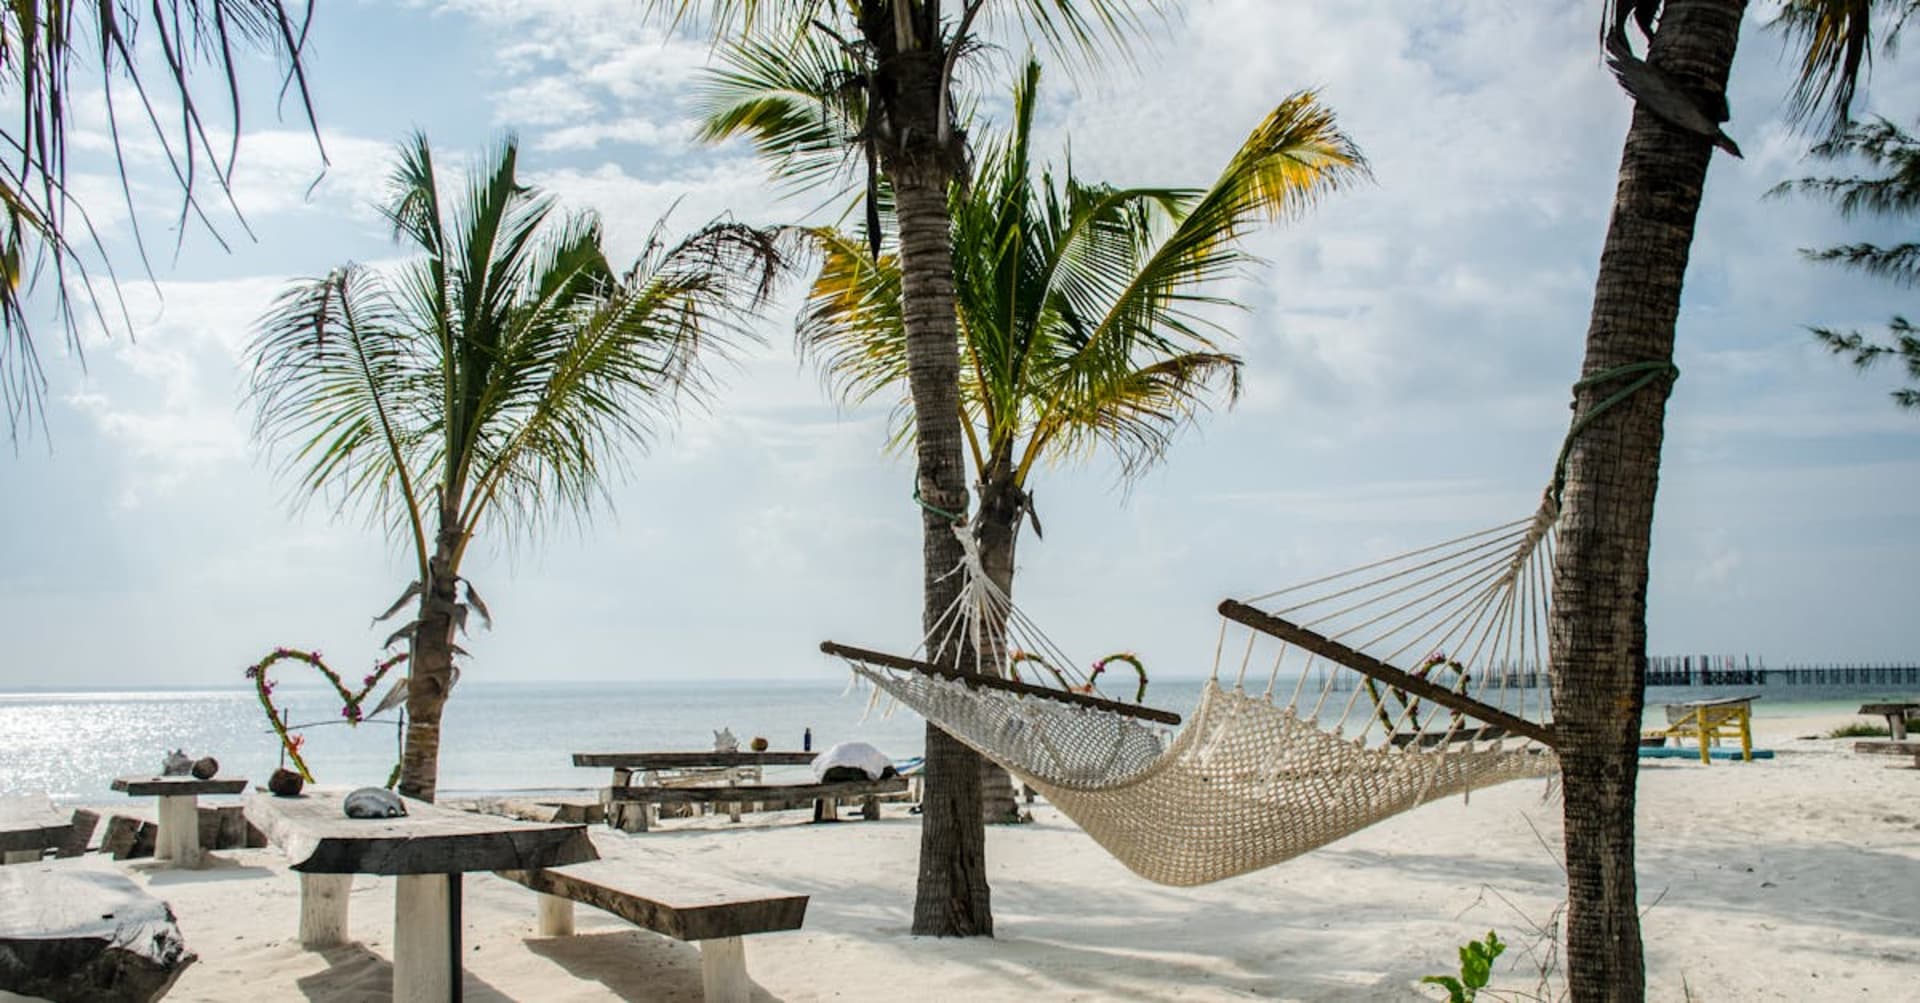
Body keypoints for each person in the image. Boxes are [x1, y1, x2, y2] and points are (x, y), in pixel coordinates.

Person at [810, 741, 897, 783]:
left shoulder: (868, 751)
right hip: (838, 768)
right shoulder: (878, 758)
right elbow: (873, 771)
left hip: (829, 771)